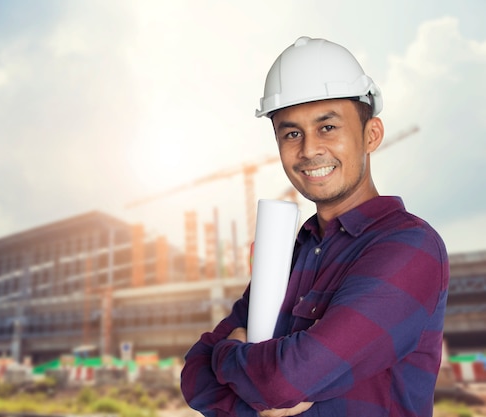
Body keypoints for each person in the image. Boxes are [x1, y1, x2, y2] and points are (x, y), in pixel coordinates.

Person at [180, 36, 449, 417]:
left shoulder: (409, 248)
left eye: (327, 127)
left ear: (371, 134)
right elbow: (193, 377)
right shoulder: (291, 255)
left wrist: (227, 354)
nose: (308, 150)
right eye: (291, 133)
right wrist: (264, 391)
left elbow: (283, 381)